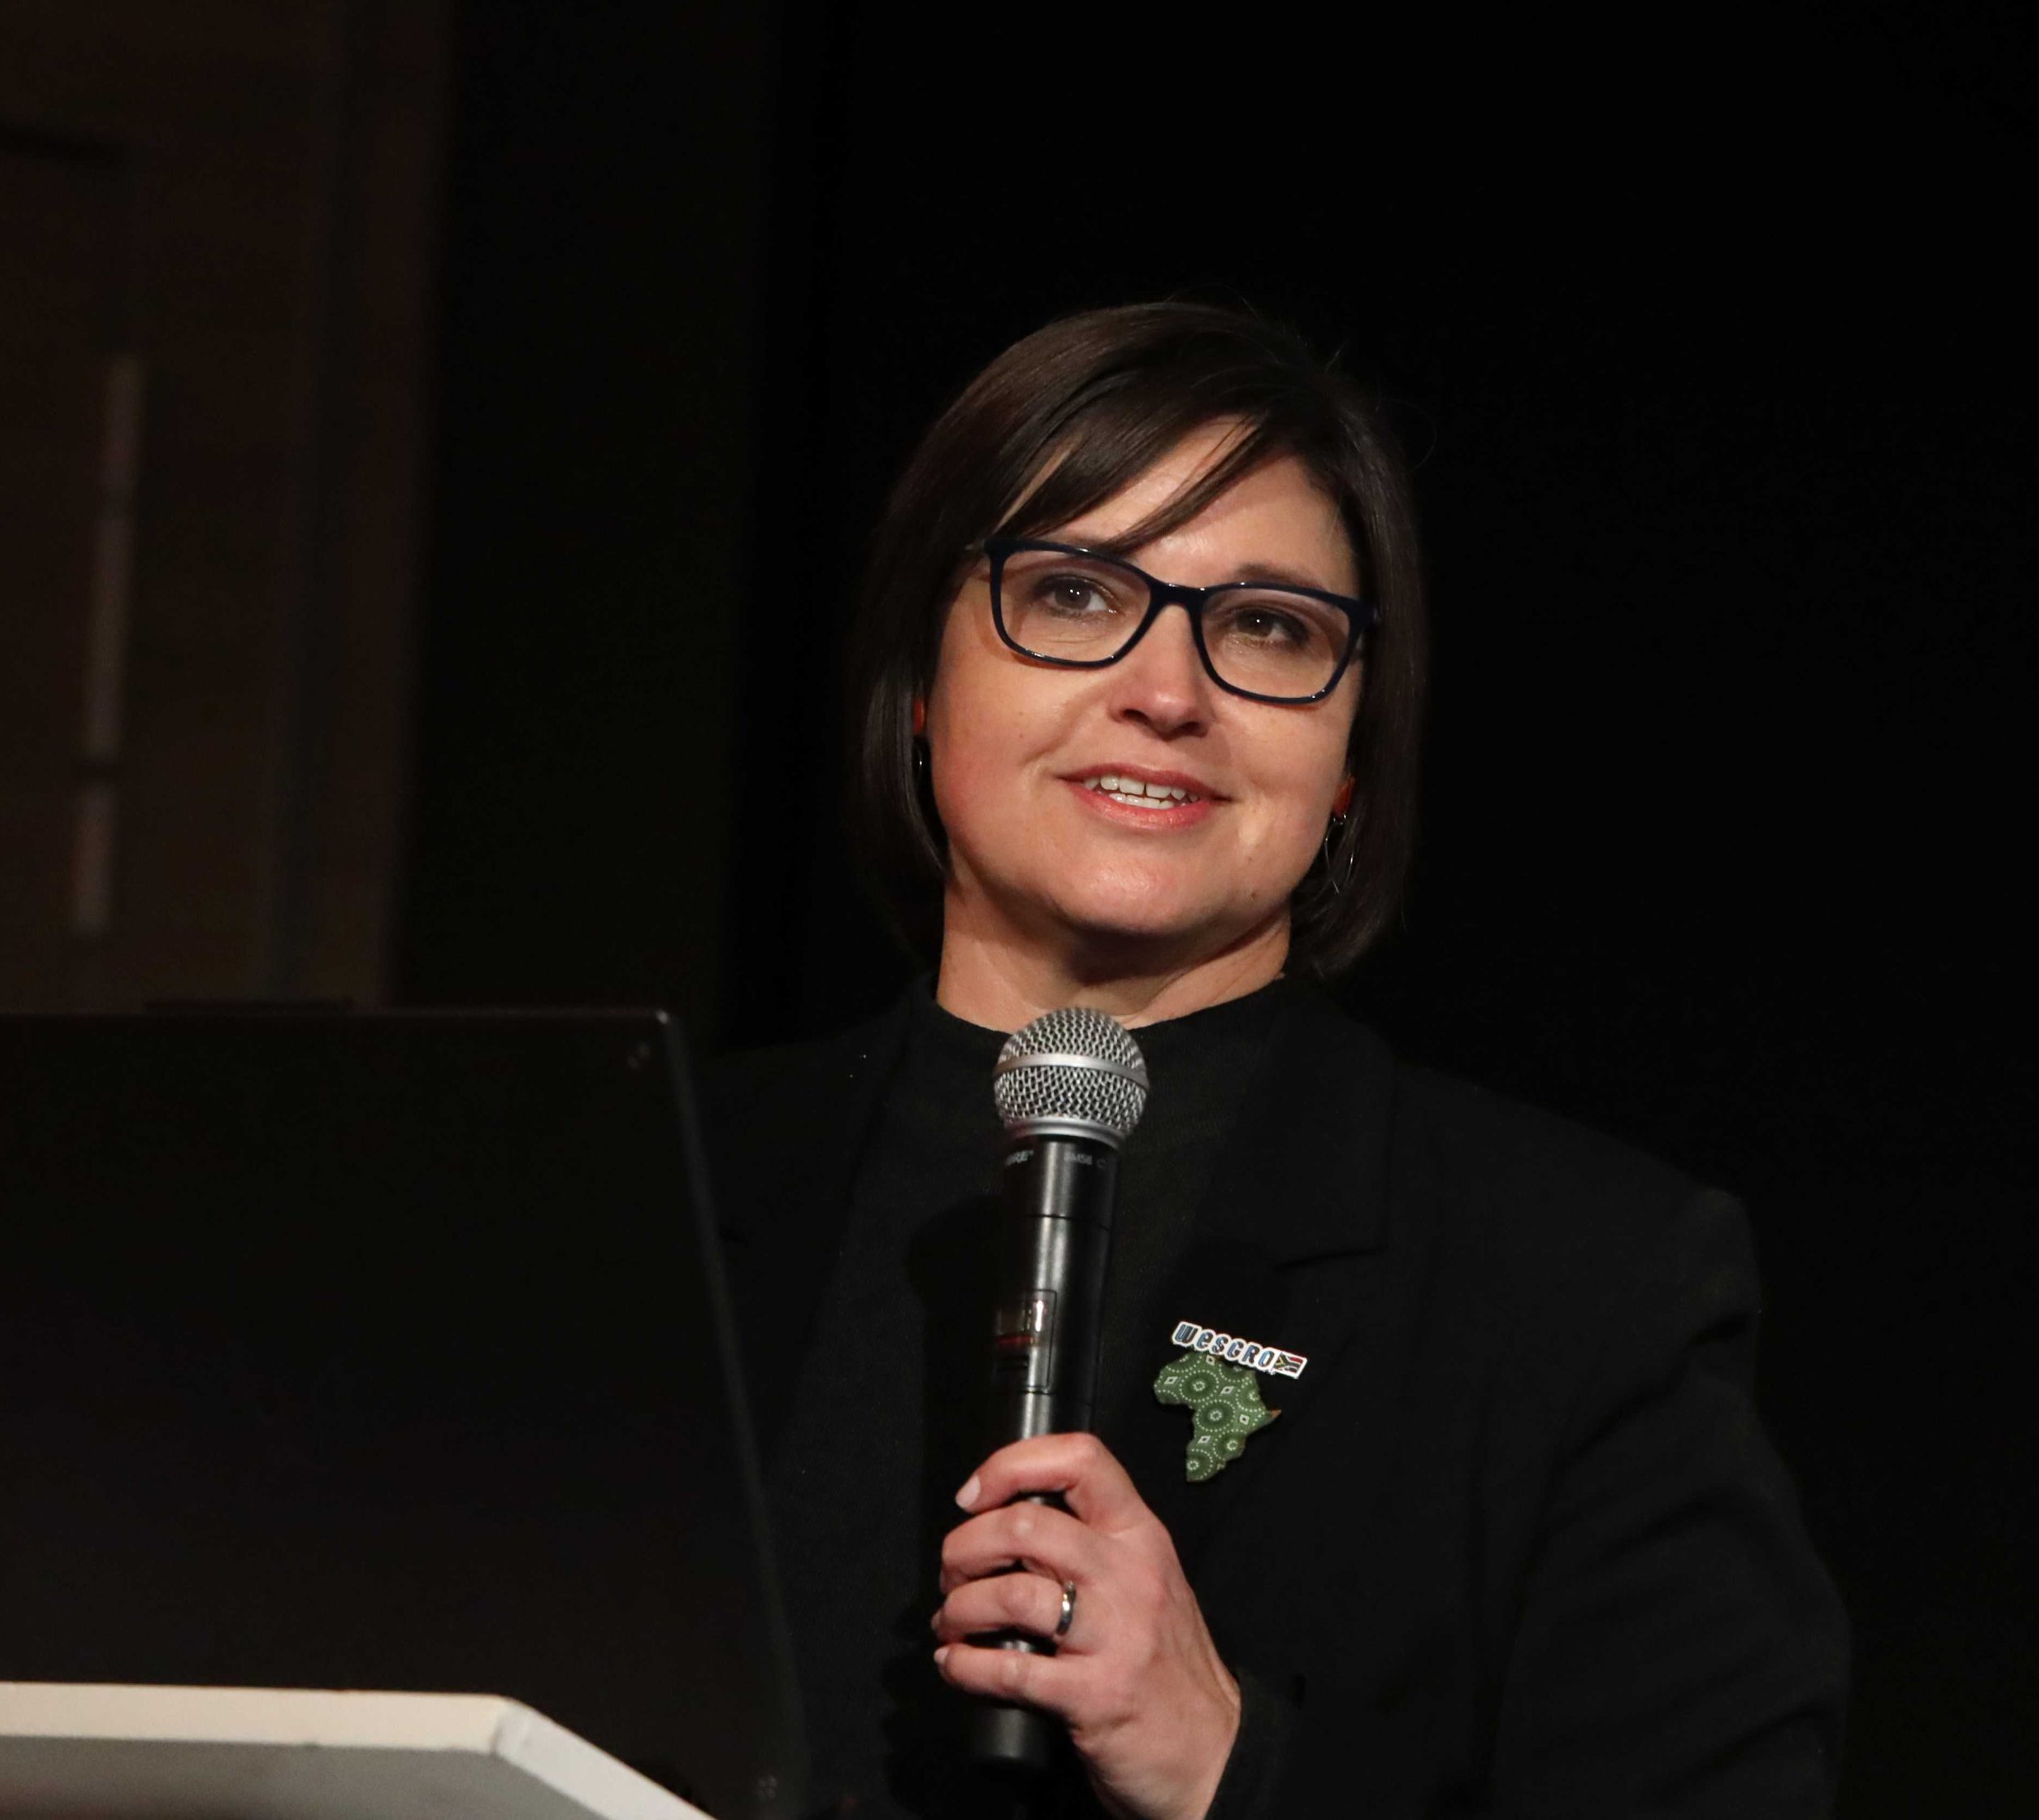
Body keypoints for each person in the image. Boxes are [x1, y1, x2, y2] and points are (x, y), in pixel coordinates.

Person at [708, 303, 1846, 1819]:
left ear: (1353, 759)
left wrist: (1227, 1764)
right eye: (1073, 593)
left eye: (1267, 628)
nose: (1167, 693)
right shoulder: (656, 1187)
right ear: (921, 678)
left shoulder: (1579, 1285)